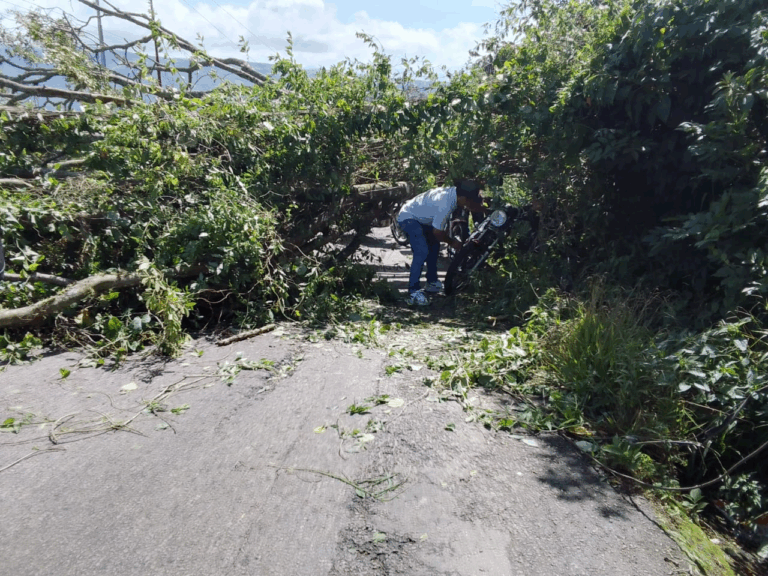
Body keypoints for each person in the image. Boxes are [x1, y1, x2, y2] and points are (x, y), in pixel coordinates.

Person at [396, 179, 488, 305]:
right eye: (468, 201)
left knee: (434, 247)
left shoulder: (453, 194)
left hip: (423, 218)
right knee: (422, 251)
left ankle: (432, 283)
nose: (468, 205)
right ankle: (413, 292)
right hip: (409, 217)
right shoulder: (446, 203)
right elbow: (438, 232)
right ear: (461, 197)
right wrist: (453, 242)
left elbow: (437, 232)